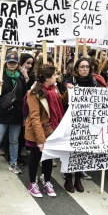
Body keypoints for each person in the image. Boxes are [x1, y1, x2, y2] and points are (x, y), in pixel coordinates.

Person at [25, 64, 68, 198]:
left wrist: (68, 92)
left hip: (52, 130)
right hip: (37, 131)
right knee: (35, 157)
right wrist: (40, 140)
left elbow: (61, 102)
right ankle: (32, 183)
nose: (57, 77)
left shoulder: (54, 88)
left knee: (48, 157)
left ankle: (47, 181)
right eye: (54, 75)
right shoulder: (33, 93)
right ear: (47, 78)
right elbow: (34, 117)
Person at [0, 52, 27, 175]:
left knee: (14, 141)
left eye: (14, 63)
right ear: (6, 64)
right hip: (3, 112)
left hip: (17, 113)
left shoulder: (20, 78)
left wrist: (25, 114)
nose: (12, 64)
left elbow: (25, 96)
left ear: (17, 64)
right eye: (10, 62)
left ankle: (13, 163)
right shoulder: (0, 77)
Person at [64, 57, 99, 191]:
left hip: (87, 120)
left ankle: (78, 178)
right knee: (70, 149)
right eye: (82, 67)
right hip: (72, 120)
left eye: (87, 67)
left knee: (82, 150)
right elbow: (64, 97)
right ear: (77, 68)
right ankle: (68, 178)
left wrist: (107, 89)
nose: (85, 69)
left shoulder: (94, 81)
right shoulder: (70, 80)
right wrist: (69, 89)